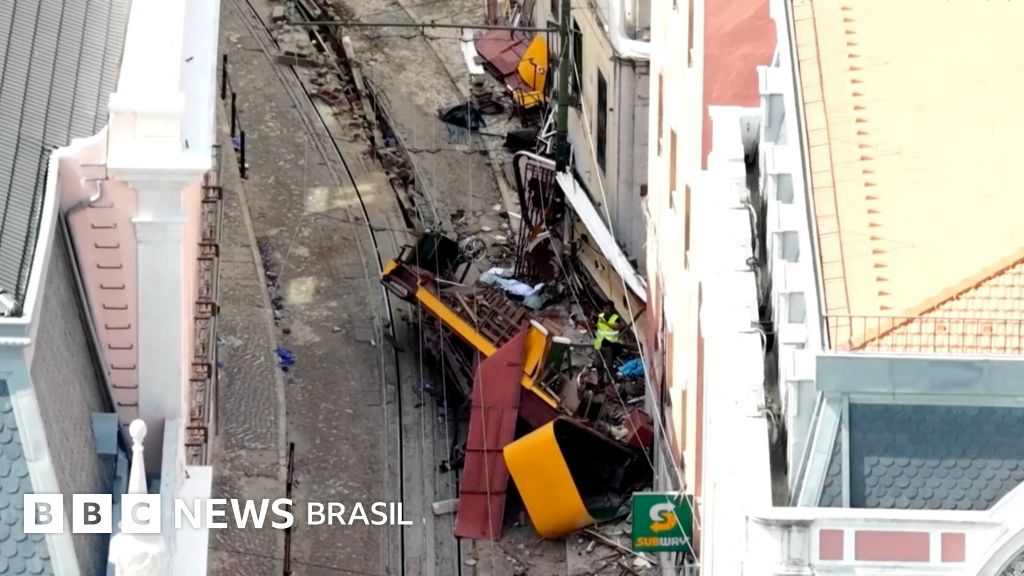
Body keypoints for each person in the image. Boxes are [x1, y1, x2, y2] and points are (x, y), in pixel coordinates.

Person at [594, 302, 627, 376]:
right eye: (604, 309)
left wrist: (605, 323)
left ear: (612, 309)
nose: (605, 311)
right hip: (598, 344)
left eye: (607, 309)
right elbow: (597, 326)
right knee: (598, 364)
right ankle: (600, 381)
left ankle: (610, 381)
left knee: (609, 366)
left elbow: (617, 327)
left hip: (609, 345)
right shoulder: (600, 316)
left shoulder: (615, 318)